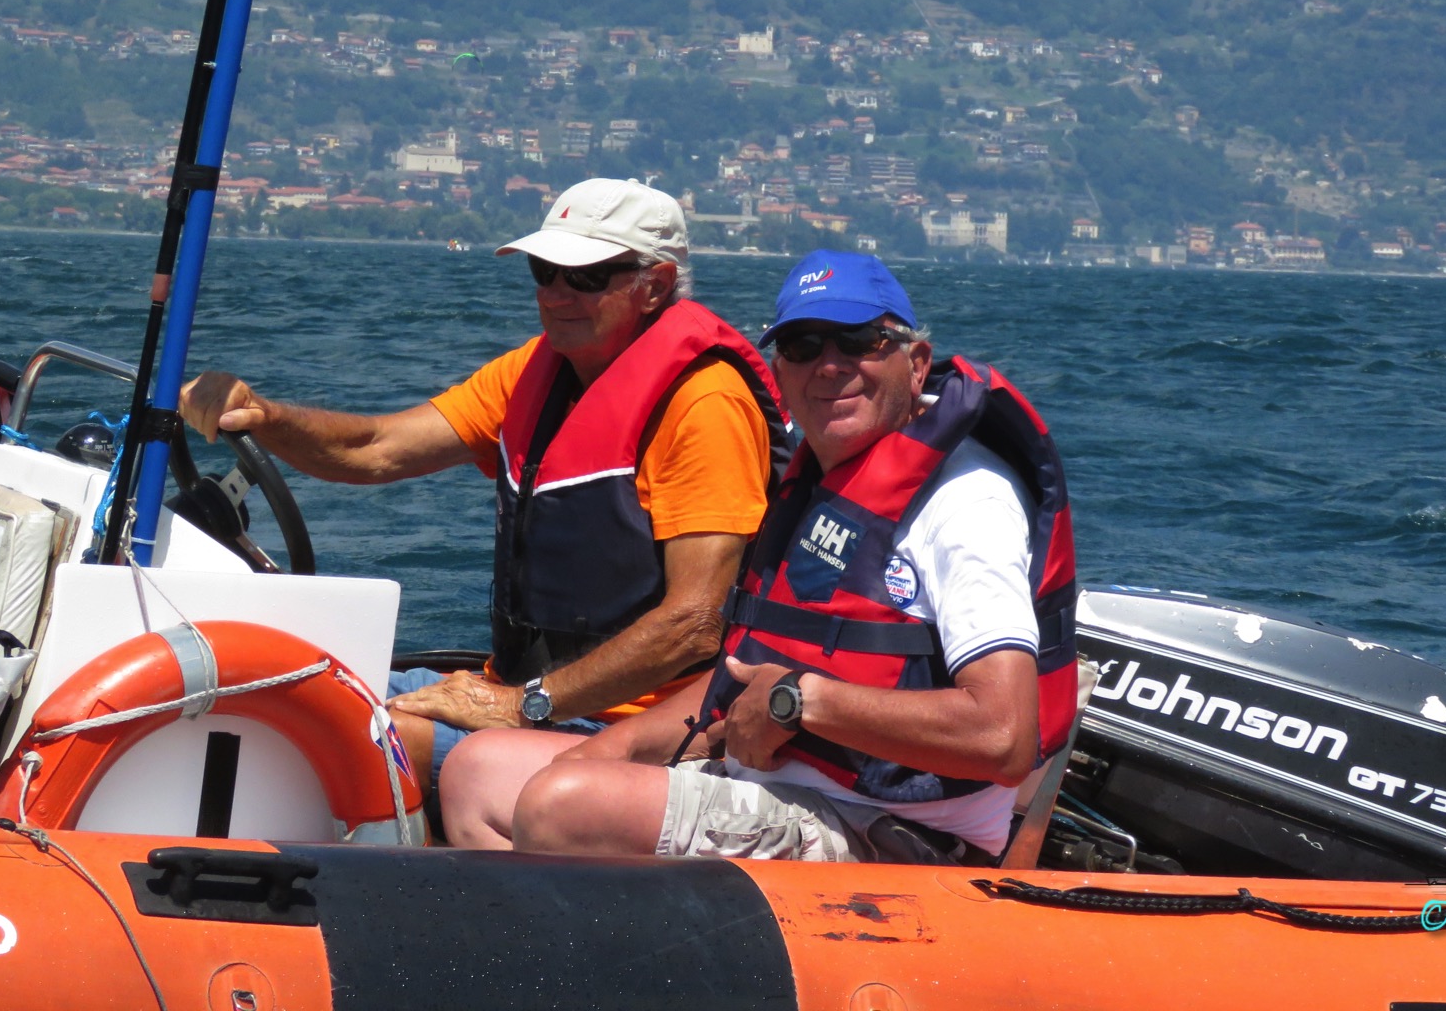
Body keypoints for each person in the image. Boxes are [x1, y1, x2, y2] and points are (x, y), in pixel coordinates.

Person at [438, 250, 1079, 863]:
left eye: (859, 341)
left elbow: (1002, 735)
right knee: (477, 771)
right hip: (767, 784)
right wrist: (618, 746)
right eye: (803, 347)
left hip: (888, 829)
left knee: (563, 804)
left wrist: (798, 702)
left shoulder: (967, 502)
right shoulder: (820, 487)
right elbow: (743, 672)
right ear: (780, 374)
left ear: (916, 364)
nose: (829, 366)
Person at [179, 178, 789, 799]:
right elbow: (375, 450)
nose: (554, 294)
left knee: (346, 731)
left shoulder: (705, 405)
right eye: (544, 271)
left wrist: (520, 706)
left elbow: (693, 622)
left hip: (625, 727)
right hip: (522, 694)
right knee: (274, 689)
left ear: (655, 285)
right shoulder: (533, 371)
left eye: (584, 277)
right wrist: (265, 415)